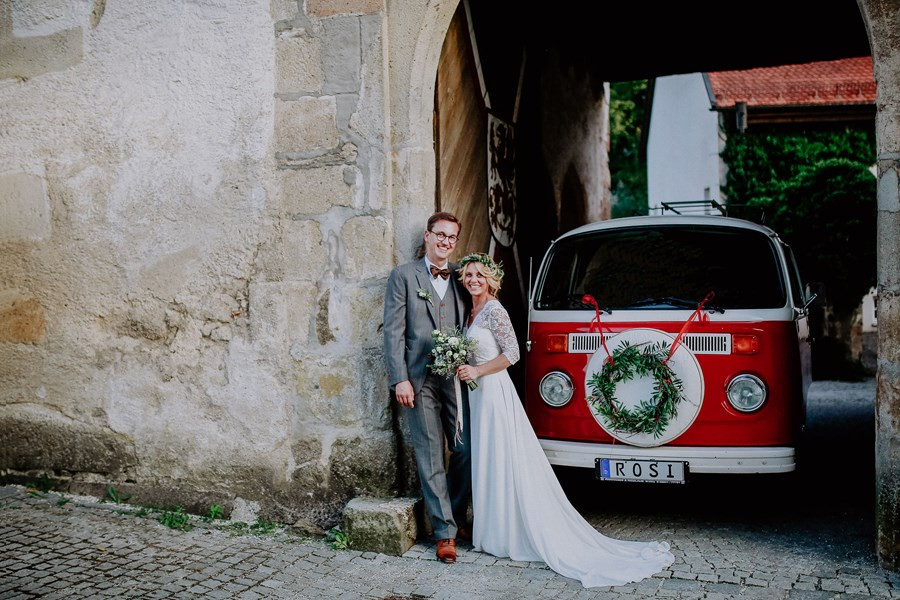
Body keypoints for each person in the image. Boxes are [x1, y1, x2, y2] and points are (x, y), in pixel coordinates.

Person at [455, 253, 675, 588]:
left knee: (500, 458)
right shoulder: (469, 311)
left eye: (479, 275)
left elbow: (512, 354)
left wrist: (477, 370)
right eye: (468, 274)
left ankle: (504, 534)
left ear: (490, 280)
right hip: (476, 394)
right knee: (485, 459)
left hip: (494, 392)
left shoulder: (495, 310)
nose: (473, 279)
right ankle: (490, 530)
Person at [383, 211, 472, 564]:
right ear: (427, 235)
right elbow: (393, 331)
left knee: (466, 449)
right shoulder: (404, 276)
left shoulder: (463, 278)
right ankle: (445, 533)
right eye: (440, 235)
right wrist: (399, 378)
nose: (445, 242)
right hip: (418, 380)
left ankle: (453, 513)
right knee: (432, 455)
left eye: (452, 238)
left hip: (454, 379)